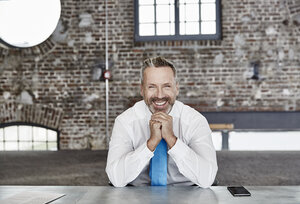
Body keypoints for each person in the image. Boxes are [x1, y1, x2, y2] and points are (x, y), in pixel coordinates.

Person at [105, 57, 218, 187]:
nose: (159, 95)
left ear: (176, 88)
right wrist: (150, 144)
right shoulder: (125, 122)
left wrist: (172, 140)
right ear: (142, 90)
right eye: (152, 87)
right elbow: (116, 178)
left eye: (166, 86)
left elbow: (207, 178)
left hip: (186, 194)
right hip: (136, 195)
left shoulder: (194, 121)